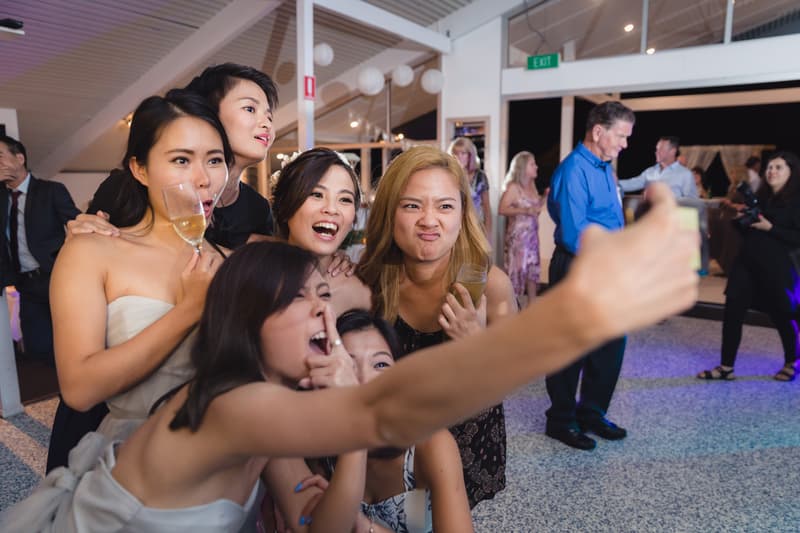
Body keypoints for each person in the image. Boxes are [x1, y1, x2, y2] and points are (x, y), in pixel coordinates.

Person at [1, 187, 700, 531]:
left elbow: (323, 491)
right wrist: (580, 314)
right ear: (246, 314)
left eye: (328, 308)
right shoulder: (226, 406)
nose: (324, 322)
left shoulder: (261, 411)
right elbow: (379, 408)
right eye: (307, 302)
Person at [47, 63, 278, 472]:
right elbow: (79, 390)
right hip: (127, 464)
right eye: (180, 160)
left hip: (219, 464)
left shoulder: (230, 258)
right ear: (139, 168)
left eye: (214, 160)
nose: (203, 179)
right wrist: (190, 310)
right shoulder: (92, 250)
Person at [357, 145, 516, 508]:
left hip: (464, 448)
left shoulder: (488, 285)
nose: (429, 220)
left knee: (435, 520)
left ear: (462, 214)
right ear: (389, 212)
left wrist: (474, 346)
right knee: (409, 520)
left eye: (444, 206)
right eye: (412, 205)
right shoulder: (369, 282)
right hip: (395, 452)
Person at [81, 63, 277, 248]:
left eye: (269, 116)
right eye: (250, 109)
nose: (267, 124)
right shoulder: (126, 188)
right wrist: (82, 236)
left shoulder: (257, 209)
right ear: (205, 112)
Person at [545, 100, 635, 451]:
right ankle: (561, 420)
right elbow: (573, 232)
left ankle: (592, 413)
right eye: (622, 136)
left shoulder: (605, 169)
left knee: (610, 345)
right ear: (599, 132)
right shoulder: (574, 170)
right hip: (579, 265)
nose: (625, 144)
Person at [336, 309, 472, 533]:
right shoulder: (324, 440)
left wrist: (368, 528)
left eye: (380, 365)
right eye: (348, 365)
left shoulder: (430, 445)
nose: (365, 379)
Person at [698, 151, 800, 382]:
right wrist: (742, 219)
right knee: (733, 311)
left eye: (778, 167)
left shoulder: (796, 202)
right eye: (770, 167)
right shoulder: (760, 197)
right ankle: (726, 367)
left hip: (777, 268)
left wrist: (770, 228)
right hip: (747, 262)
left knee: (783, 316)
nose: (772, 171)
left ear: (791, 173)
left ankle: (792, 361)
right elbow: (746, 231)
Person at [0, 136, 80, 367]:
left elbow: (76, 222)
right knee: (38, 348)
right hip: (25, 285)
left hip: (57, 278)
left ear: (20, 158)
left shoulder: (51, 191)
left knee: (73, 341)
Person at [272, 148, 371, 315]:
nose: (332, 209)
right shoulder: (253, 279)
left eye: (345, 199)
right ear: (284, 204)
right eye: (317, 194)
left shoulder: (361, 293)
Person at [498, 151, 543, 306]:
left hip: (532, 239)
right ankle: (511, 309)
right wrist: (524, 211)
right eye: (532, 164)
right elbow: (502, 209)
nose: (536, 166)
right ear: (523, 167)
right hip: (518, 241)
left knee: (532, 274)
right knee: (516, 275)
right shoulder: (513, 188)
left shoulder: (532, 187)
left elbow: (535, 210)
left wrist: (545, 199)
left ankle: (532, 309)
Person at [620, 136, 698, 199]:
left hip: (672, 217)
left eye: (660, 149)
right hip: (650, 216)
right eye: (656, 149)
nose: (656, 152)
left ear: (672, 151)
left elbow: (692, 202)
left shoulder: (685, 174)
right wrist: (612, 181)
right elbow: (631, 183)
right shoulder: (650, 172)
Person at [448, 137, 492, 241]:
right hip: (455, 225)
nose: (459, 157)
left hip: (477, 225)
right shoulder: (449, 176)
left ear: (470, 155)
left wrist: (488, 233)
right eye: (456, 154)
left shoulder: (480, 176)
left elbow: (486, 207)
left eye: (463, 153)